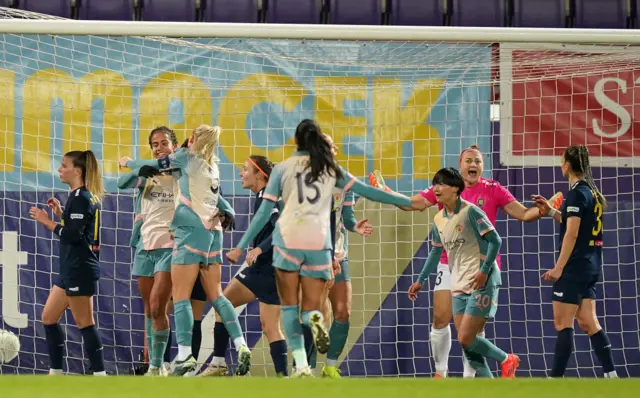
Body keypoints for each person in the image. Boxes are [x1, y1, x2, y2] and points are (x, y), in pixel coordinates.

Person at [226, 119, 413, 377]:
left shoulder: (283, 168)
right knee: (314, 307)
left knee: (291, 307)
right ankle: (313, 326)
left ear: (297, 141)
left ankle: (302, 365)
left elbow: (263, 215)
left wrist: (240, 246)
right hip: (319, 245)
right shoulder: (332, 171)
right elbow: (370, 192)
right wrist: (411, 202)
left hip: (289, 244)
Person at [376, 145, 556, 378]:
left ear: (482, 166)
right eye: (468, 161)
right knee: (440, 317)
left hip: (479, 266)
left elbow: (523, 214)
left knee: (471, 330)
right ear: (460, 166)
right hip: (448, 263)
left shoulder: (492, 190)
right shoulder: (445, 190)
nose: (473, 165)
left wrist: (544, 211)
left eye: (478, 162)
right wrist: (384, 192)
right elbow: (413, 204)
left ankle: (470, 379)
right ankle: (441, 373)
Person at [120, 124, 251, 377]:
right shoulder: (196, 166)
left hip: (178, 241)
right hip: (148, 245)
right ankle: (158, 366)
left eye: (163, 143)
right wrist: (139, 169)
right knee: (153, 308)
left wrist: (128, 161)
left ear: (177, 144)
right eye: (154, 145)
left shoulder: (181, 164)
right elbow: (122, 182)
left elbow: (215, 197)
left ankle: (183, 357)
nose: (159, 148)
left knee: (171, 301)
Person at [408, 167, 520, 378]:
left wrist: (485, 271)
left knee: (468, 336)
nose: (436, 188)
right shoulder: (439, 219)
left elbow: (496, 240)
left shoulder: (471, 212)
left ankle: (507, 359)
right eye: (435, 184)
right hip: (458, 279)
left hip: (482, 277)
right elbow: (435, 251)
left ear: (455, 189)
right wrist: (420, 280)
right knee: (467, 342)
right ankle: (491, 382)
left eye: (442, 184)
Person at [533, 145, 617, 378]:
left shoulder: (577, 193)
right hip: (590, 266)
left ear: (568, 165)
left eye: (562, 161)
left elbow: (571, 233)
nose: (560, 164)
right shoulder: (591, 193)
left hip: (574, 266)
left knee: (563, 324)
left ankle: (555, 380)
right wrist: (551, 211)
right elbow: (575, 224)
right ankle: (612, 376)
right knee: (589, 322)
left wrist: (559, 268)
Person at [203, 155, 289, 377]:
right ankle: (283, 376)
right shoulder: (265, 196)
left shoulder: (267, 198)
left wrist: (259, 249)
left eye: (245, 169)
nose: (240, 173)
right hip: (278, 272)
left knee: (223, 304)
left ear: (260, 174)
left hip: (265, 269)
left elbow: (281, 227)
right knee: (271, 327)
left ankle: (220, 362)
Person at [30, 150, 106, 376]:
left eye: (64, 166)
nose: (60, 169)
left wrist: (46, 221)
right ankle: (56, 372)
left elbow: (73, 236)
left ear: (78, 171)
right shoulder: (78, 196)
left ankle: (101, 375)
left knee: (85, 323)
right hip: (70, 268)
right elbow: (78, 230)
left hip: (79, 269)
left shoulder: (82, 197)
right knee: (49, 318)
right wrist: (61, 213)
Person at [322, 134, 373, 378]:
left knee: (343, 312)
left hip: (338, 256)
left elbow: (347, 218)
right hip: (310, 257)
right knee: (315, 317)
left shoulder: (344, 181)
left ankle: (330, 366)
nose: (330, 149)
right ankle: (305, 368)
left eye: (331, 145)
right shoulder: (301, 181)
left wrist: (356, 227)